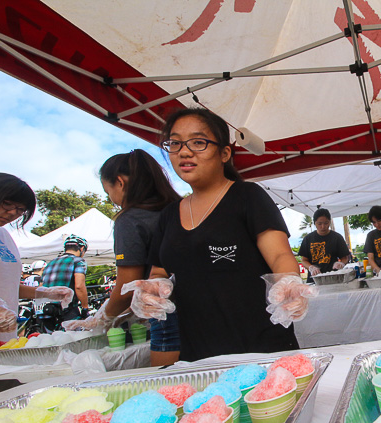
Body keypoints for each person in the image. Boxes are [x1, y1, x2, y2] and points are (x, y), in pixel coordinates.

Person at [123, 107, 314, 362]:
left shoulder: (248, 197)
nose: (185, 151)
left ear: (224, 153)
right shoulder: (168, 215)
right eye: (175, 143)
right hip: (198, 355)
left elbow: (279, 255)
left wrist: (289, 284)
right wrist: (153, 290)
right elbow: (159, 271)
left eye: (198, 142)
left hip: (263, 350)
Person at [64, 149, 183, 366]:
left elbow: (125, 288)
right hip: (203, 311)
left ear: (119, 182)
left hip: (165, 316)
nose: (111, 199)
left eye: (107, 191)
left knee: (168, 385)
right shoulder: (181, 209)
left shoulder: (130, 220)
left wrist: (102, 319)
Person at [0, 173, 73, 340]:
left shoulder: (4, 236)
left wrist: (45, 293)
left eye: (19, 210)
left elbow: (7, 286)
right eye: (7, 204)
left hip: (5, 333)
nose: (11, 213)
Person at [42, 234, 91, 321]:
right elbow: (79, 286)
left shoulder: (51, 262)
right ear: (82, 248)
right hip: (66, 309)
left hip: (46, 308)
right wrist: (85, 307)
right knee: (74, 334)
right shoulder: (78, 261)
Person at [299, 208, 350, 281]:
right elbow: (304, 260)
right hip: (314, 279)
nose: (323, 227)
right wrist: (311, 267)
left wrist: (341, 263)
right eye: (319, 224)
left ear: (329, 222)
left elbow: (345, 257)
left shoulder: (337, 237)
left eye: (326, 223)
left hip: (333, 278)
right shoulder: (308, 239)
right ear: (314, 223)